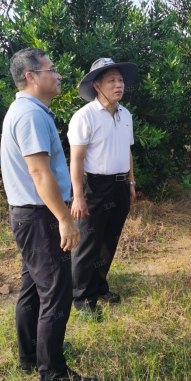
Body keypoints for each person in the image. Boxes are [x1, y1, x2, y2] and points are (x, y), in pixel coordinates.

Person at [0, 48, 97, 381]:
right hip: (40, 216)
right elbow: (40, 173)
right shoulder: (30, 115)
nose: (58, 75)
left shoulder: (25, 110)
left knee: (33, 286)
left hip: (28, 215)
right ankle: (53, 374)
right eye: (51, 69)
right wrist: (65, 219)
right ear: (31, 76)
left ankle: (32, 354)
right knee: (56, 290)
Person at [67, 58, 138, 319]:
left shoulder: (125, 114)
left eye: (120, 80)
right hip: (95, 187)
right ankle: (81, 297)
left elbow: (127, 151)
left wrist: (131, 182)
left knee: (110, 240)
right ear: (97, 85)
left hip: (120, 186)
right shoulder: (84, 117)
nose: (118, 85)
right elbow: (76, 159)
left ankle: (98, 286)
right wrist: (78, 197)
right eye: (111, 80)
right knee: (88, 242)